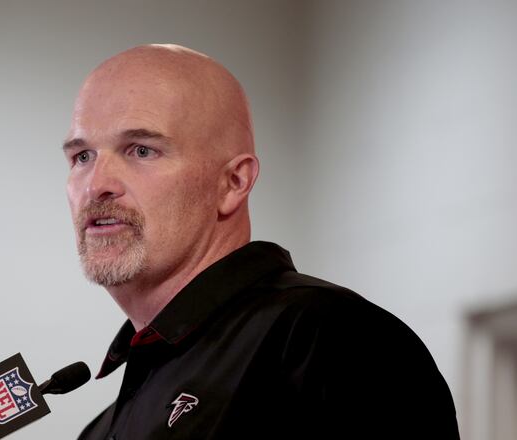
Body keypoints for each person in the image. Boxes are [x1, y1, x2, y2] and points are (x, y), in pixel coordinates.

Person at [62, 44, 459, 439]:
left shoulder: (334, 340)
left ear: (233, 182)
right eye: (82, 156)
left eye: (142, 150)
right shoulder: (99, 430)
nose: (97, 185)